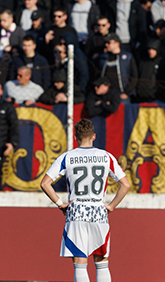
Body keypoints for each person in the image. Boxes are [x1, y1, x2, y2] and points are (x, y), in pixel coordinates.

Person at [40, 118, 130, 282]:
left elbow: (45, 183)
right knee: (102, 261)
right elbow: (125, 184)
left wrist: (60, 204)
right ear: (94, 136)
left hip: (76, 211)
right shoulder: (105, 156)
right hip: (98, 210)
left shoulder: (67, 157)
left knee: (80, 262)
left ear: (75, 137)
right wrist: (111, 206)